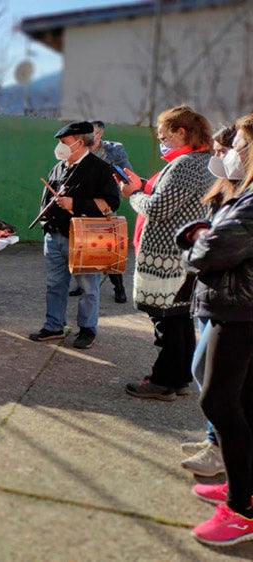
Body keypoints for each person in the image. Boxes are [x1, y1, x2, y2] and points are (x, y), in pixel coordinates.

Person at [177, 135, 253, 545]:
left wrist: (194, 244)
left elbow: (212, 251)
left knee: (219, 402)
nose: (230, 155)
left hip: (239, 311)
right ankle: (244, 490)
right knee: (240, 402)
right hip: (236, 308)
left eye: (239, 147)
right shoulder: (244, 195)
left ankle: (243, 511)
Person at [121, 105, 215, 400]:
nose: (161, 141)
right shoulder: (202, 161)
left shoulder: (186, 164)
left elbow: (159, 208)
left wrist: (134, 194)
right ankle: (180, 378)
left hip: (167, 257)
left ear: (181, 132)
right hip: (181, 254)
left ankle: (163, 380)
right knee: (178, 318)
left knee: (166, 320)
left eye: (164, 135)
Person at [180, 124, 242, 478]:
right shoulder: (228, 191)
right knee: (207, 376)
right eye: (217, 151)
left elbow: (210, 248)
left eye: (225, 150)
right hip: (213, 294)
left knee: (215, 381)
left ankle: (224, 450)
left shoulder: (245, 199)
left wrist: (198, 244)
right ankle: (214, 441)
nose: (218, 158)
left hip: (232, 301)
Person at [27, 121, 120, 349]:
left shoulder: (99, 169)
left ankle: (88, 330)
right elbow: (45, 201)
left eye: (64, 142)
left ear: (79, 142)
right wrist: (46, 225)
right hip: (55, 236)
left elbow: (111, 202)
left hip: (85, 238)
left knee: (88, 287)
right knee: (55, 284)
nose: (60, 146)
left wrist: (75, 203)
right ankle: (53, 326)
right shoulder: (58, 167)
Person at [76, 120, 131, 303]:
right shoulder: (78, 147)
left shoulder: (114, 150)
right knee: (80, 245)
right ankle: (81, 284)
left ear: (99, 135)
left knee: (110, 247)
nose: (84, 137)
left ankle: (119, 287)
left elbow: (126, 174)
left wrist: (109, 198)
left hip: (105, 203)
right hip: (82, 203)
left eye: (89, 133)